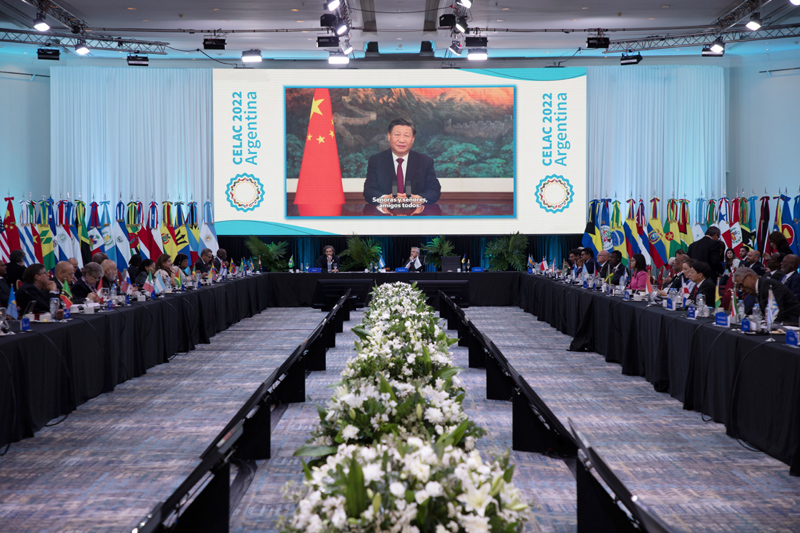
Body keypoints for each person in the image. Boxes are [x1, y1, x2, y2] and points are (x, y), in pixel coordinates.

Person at [362, 118, 441, 210]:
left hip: (416, 215)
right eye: (397, 135)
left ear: (413, 139)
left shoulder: (425, 161)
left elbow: (434, 191)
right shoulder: (376, 161)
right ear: (389, 136)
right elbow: (369, 191)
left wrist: (419, 199)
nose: (402, 140)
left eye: (406, 136)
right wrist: (385, 198)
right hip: (386, 215)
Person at [734, 267, 800, 323]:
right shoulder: (760, 287)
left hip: (792, 325)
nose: (741, 289)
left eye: (741, 285)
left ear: (750, 276)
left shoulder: (767, 284)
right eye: (739, 287)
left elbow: (776, 314)